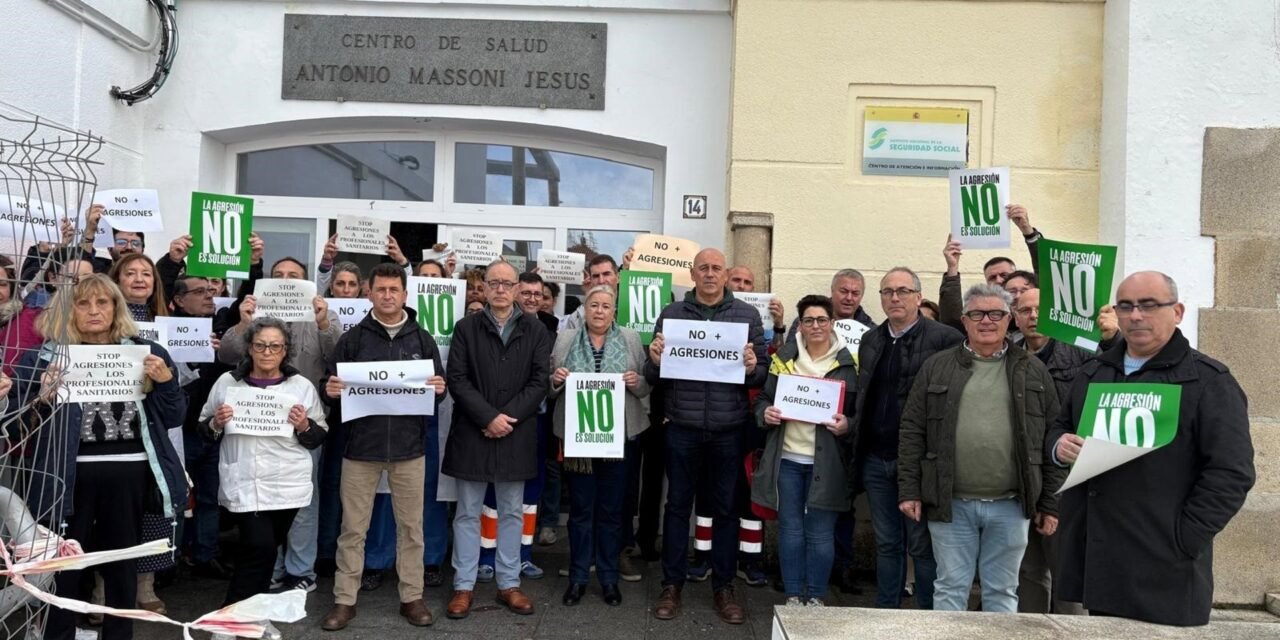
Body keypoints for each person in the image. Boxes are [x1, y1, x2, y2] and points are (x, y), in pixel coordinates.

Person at [1049, 271, 1255, 626]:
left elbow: (1231, 473)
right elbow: (1060, 426)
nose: (1135, 316)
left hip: (1167, 567)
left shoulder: (1208, 380)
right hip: (1101, 560)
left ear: (1177, 311)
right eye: (1125, 306)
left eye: (1148, 305)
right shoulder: (1095, 372)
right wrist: (1058, 445)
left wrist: (1185, 538)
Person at [13, 274, 186, 640]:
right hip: (65, 477)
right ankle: (57, 635)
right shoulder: (41, 357)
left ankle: (119, 635)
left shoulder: (148, 352)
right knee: (63, 566)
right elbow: (18, 430)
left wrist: (167, 381)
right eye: (83, 303)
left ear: (116, 308)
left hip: (129, 475)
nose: (94, 311)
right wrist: (41, 399)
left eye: (103, 303)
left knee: (121, 566)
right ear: (68, 311)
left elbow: (173, 418)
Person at [897, 284, 1063, 613]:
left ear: (1010, 319)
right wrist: (909, 489)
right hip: (950, 503)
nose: (986, 320)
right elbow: (912, 429)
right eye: (977, 314)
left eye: (996, 314)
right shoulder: (937, 367)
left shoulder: (1033, 370)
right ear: (964, 320)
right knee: (950, 587)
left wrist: (1051, 502)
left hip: (1011, 505)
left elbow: (1051, 437)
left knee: (1002, 591)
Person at [320, 263, 447, 630]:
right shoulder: (353, 340)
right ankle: (345, 600)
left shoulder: (422, 339)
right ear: (369, 293)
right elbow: (333, 391)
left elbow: (434, 396)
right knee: (353, 529)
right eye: (381, 290)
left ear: (405, 295)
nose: (388, 296)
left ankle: (412, 596)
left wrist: (440, 390)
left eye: (395, 290)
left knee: (411, 528)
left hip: (409, 449)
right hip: (361, 449)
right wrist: (328, 392)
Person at [646, 248, 767, 625]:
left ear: (726, 274)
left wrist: (751, 367)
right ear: (693, 274)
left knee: (726, 510)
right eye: (704, 269)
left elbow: (762, 374)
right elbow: (654, 377)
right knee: (678, 507)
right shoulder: (672, 314)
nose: (711, 274)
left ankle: (724, 586)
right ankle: (671, 584)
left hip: (728, 430)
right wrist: (653, 359)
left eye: (717, 268)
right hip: (681, 426)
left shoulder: (746, 316)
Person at [220, 256, 340, 593]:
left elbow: (339, 357)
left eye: (294, 276)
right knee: (260, 504)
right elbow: (227, 355)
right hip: (254, 428)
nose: (286, 281)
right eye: (279, 275)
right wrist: (244, 323)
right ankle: (267, 570)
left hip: (299, 427)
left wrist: (323, 324)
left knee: (302, 503)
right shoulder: (253, 316)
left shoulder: (322, 316)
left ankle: (301, 570)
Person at [443, 260, 552, 620]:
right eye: (494, 283)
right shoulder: (466, 328)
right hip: (474, 432)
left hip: (515, 433)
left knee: (510, 511)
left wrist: (506, 419)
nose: (501, 289)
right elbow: (456, 379)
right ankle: (464, 585)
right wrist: (488, 417)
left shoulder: (536, 331)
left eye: (508, 283)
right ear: (485, 287)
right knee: (468, 513)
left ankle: (508, 583)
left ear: (519, 287)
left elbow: (539, 382)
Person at [850, 267, 964, 610]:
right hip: (876, 457)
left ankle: (928, 614)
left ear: (918, 295)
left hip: (919, 461)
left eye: (902, 291)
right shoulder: (871, 339)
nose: (894, 298)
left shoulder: (944, 338)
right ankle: (887, 610)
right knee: (886, 542)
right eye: (887, 292)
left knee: (921, 544)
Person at [199, 318, 327, 610]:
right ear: (250, 349)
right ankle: (230, 615)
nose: (267, 352)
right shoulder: (227, 383)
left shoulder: (301, 386)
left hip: (287, 483)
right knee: (259, 548)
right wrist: (217, 423)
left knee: (265, 554)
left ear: (285, 351)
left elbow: (318, 436)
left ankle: (250, 616)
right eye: (260, 345)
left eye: (275, 346)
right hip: (245, 480)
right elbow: (203, 428)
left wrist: (304, 425)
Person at [550, 284, 651, 607]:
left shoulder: (631, 339)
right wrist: (556, 380)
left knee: (611, 511)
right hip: (580, 439)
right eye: (594, 305)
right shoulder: (566, 338)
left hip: (618, 439)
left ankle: (608, 578)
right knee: (580, 511)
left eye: (606, 306)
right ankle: (579, 577)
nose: (599, 311)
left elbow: (647, 386)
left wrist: (638, 382)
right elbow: (549, 387)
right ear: (585, 308)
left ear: (614, 311)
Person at [754, 295, 855, 607]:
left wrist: (848, 425)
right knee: (791, 530)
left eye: (821, 320)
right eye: (809, 320)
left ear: (832, 323)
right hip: (788, 458)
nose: (815, 326)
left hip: (828, 462)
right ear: (800, 324)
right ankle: (794, 595)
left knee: (822, 534)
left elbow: (860, 411)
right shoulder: (784, 359)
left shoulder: (849, 364)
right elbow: (762, 400)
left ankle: (816, 596)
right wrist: (765, 413)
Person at [1009, 286, 1088, 615]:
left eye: (1040, 309)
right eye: (1025, 310)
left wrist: (1053, 503)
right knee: (1028, 570)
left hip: (1067, 480)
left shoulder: (1081, 355)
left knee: (1068, 572)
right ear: (1015, 317)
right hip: (1021, 480)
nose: (1033, 316)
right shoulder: (1008, 355)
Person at [107, 253, 177, 613]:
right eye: (130, 273)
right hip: (111, 427)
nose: (139, 279)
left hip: (156, 425)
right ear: (115, 281)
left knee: (153, 509)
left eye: (146, 274)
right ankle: (105, 592)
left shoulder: (166, 320)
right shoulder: (102, 324)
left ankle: (144, 585)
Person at [169, 274, 235, 580]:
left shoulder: (221, 328)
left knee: (210, 496)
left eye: (212, 291)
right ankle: (170, 559)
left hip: (214, 427)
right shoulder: (166, 330)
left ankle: (205, 554)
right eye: (199, 292)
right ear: (180, 300)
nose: (209, 296)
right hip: (179, 430)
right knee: (177, 498)